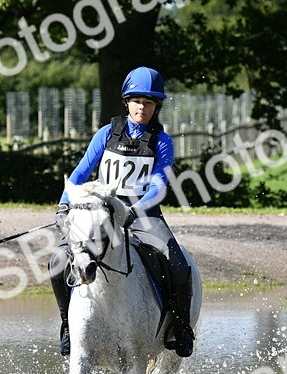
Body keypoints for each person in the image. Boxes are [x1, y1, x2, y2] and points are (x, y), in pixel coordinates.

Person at [49, 66, 195, 357]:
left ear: (156, 106)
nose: (143, 107)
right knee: (56, 261)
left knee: (179, 266)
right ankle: (67, 324)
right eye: (138, 101)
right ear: (127, 102)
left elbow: (158, 186)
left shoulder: (162, 142)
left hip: (144, 216)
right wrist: (64, 204)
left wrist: (135, 210)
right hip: (100, 213)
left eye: (150, 103)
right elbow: (79, 175)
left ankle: (180, 327)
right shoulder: (106, 134)